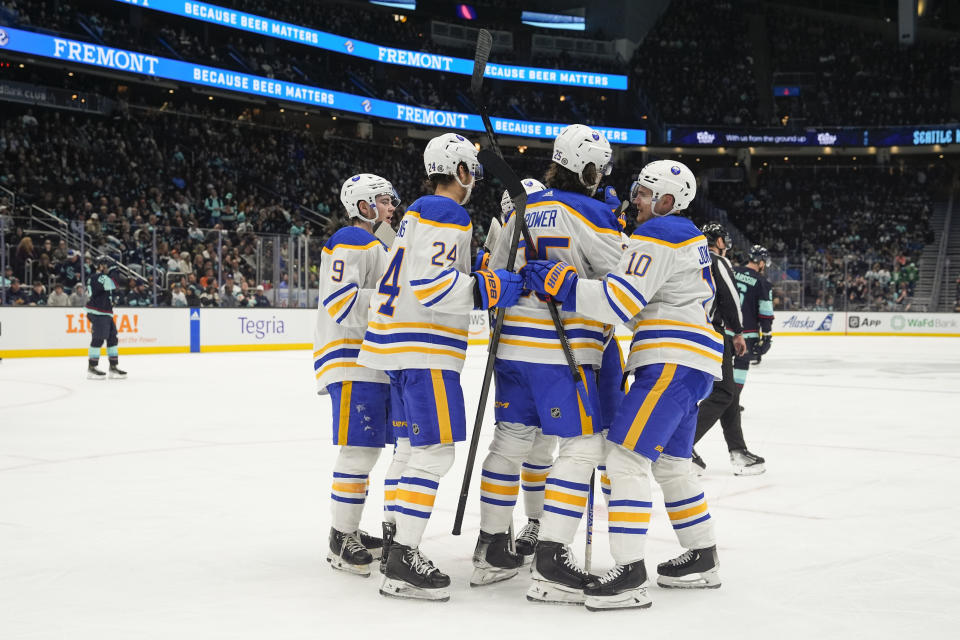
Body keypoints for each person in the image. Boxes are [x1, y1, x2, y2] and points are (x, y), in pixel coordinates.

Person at [524, 159, 723, 610]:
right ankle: (703, 556)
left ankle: (630, 572)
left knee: (623, 458)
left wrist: (564, 283)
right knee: (672, 465)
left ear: (668, 201)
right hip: (691, 362)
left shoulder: (662, 233)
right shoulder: (682, 236)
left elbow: (618, 302)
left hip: (671, 361)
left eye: (644, 193)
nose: (635, 199)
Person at [357, 133, 522, 601]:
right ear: (463, 172)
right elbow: (433, 285)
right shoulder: (448, 211)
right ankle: (404, 557)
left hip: (394, 344)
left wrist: (477, 270)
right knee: (436, 454)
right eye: (473, 172)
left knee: (411, 449)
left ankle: (396, 542)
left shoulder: (415, 213)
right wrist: (485, 288)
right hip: (424, 347)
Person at [477, 124, 623, 600]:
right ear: (584, 167)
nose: (600, 176)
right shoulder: (591, 209)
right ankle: (551, 557)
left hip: (511, 348)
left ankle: (492, 548)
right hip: (562, 353)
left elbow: (493, 275)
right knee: (581, 448)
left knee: (510, 441)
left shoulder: (519, 208)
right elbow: (622, 289)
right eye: (598, 168)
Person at [314, 173, 399, 577]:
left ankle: (349, 528)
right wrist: (396, 298)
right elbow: (340, 302)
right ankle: (340, 537)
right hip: (352, 360)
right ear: (363, 206)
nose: (390, 207)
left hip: (369, 362)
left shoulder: (374, 244)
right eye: (383, 201)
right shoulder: (352, 239)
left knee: (367, 451)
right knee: (359, 450)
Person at [691, 223, 751, 475]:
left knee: (729, 393)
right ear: (717, 241)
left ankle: (738, 450)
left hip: (683, 330)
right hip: (710, 332)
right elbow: (730, 297)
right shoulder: (716, 260)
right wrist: (738, 332)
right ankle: (682, 445)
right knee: (725, 391)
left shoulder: (688, 257)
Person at [724, 244, 773, 475]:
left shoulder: (731, 270)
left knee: (720, 372)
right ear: (761, 262)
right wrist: (767, 336)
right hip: (747, 335)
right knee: (738, 375)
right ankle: (731, 402)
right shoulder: (762, 282)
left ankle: (728, 401)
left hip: (724, 331)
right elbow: (765, 311)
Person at [86, 256, 126, 379]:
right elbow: (114, 283)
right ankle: (92, 367)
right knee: (98, 338)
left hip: (105, 312)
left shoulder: (101, 278)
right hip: (98, 312)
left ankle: (113, 366)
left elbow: (112, 286)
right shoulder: (97, 277)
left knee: (112, 338)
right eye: (106, 265)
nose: (108, 268)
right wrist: (115, 269)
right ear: (100, 267)